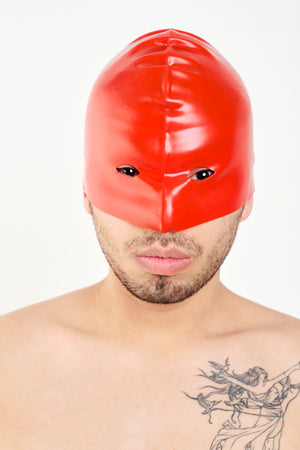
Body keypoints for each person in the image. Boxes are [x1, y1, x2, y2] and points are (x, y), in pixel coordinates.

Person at [0, 28, 299, 449]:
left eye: (202, 176)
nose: (165, 224)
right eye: (129, 173)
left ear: (247, 194)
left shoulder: (294, 371)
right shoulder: (6, 367)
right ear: (87, 188)